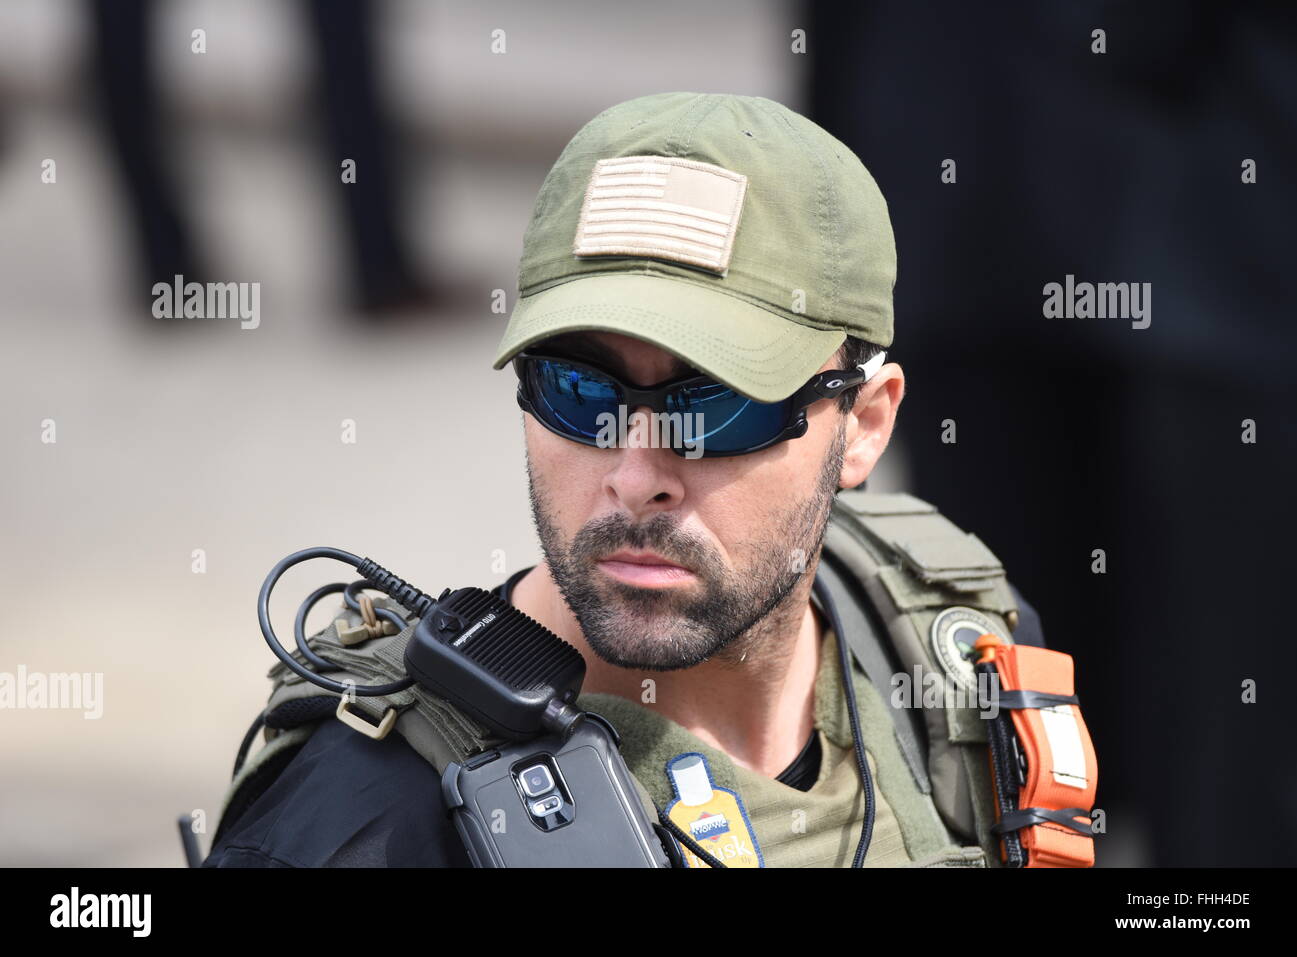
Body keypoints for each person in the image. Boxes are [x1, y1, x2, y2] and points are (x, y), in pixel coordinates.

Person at [204, 92, 1072, 868]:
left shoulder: (952, 652)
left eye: (718, 408)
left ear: (865, 425)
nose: (636, 476)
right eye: (580, 391)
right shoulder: (369, 818)